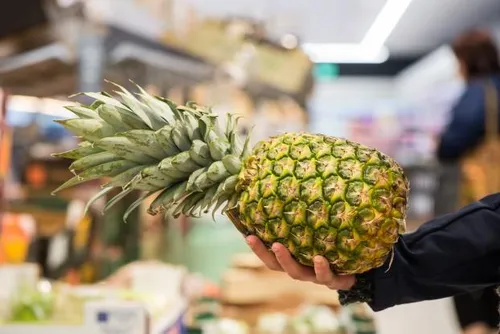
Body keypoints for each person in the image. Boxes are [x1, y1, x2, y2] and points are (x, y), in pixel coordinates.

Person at [436, 29, 500, 334]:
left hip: (484, 199)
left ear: (468, 60)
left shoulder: (480, 92)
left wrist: (442, 140)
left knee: (471, 284)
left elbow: (451, 145)